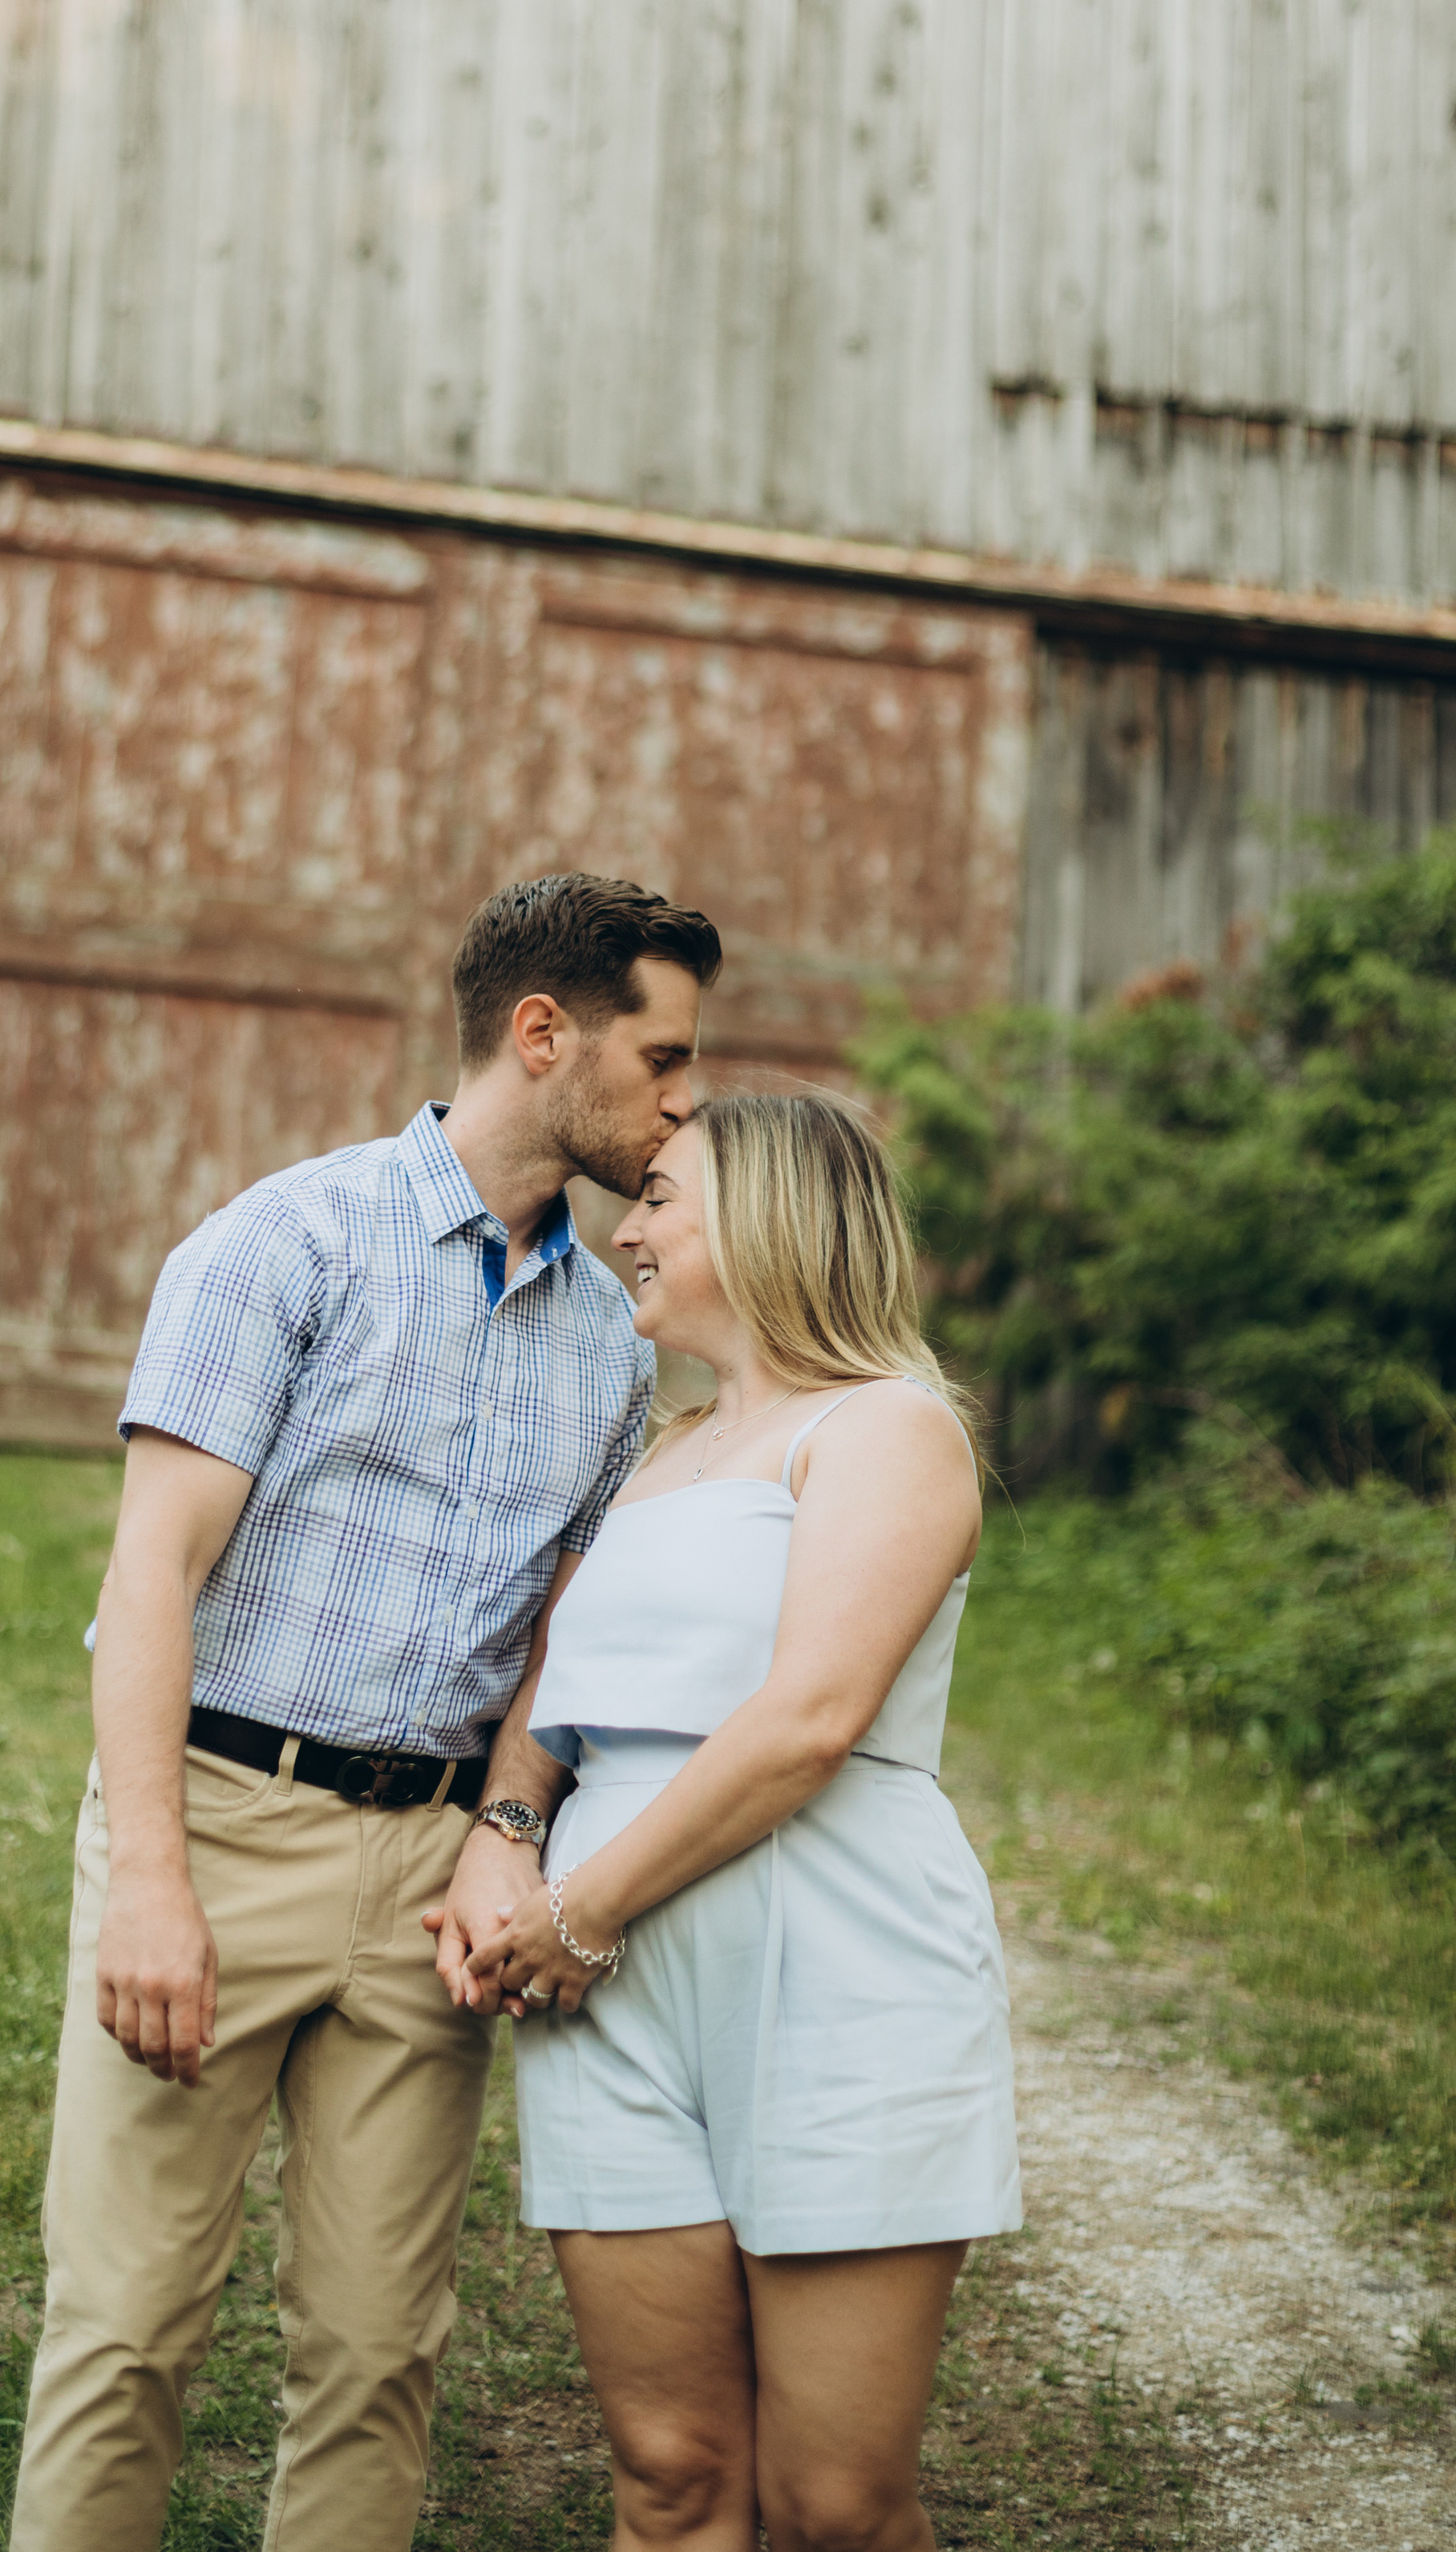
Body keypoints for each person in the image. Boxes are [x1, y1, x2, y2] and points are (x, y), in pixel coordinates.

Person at [8, 871, 722, 2552]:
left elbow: (559, 1626)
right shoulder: (285, 1244)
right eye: (664, 1056)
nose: (687, 1099)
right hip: (222, 1826)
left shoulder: (616, 1348)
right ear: (542, 1036)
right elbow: (150, 1583)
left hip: (425, 1884)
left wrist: (501, 1832)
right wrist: (152, 1880)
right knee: (122, 2337)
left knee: (378, 2358)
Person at [469, 1089, 1021, 2552]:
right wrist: (509, 1833)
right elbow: (560, 1688)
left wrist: (583, 1911)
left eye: (658, 1197)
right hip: (610, 1998)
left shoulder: (889, 1429)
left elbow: (807, 1725)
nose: (625, 1227)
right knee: (670, 2472)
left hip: (836, 1967)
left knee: (833, 2503)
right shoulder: (659, 1454)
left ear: (770, 1216)